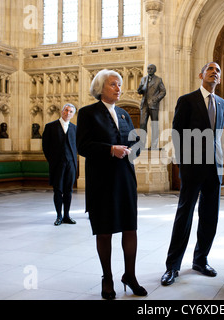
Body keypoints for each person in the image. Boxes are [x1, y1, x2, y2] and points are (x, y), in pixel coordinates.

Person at [76, 69, 146, 300]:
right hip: (102, 180)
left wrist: (135, 147)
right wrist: (109, 149)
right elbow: (83, 146)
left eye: (119, 85)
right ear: (100, 88)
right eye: (114, 84)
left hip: (125, 177)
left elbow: (129, 143)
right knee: (105, 231)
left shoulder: (125, 114)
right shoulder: (88, 113)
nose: (119, 88)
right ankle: (107, 278)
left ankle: (130, 275)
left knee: (130, 228)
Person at [161, 62, 224, 286]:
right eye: (210, 69)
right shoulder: (187, 100)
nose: (214, 73)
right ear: (201, 74)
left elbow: (217, 136)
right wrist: (183, 164)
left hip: (214, 167)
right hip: (192, 166)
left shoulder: (222, 103)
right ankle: (172, 266)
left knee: (210, 215)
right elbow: (177, 133)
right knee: (185, 214)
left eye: (218, 71)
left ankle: (201, 259)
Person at [42, 103, 78, 226]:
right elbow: (45, 147)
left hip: (71, 164)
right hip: (57, 164)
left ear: (73, 114)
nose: (68, 113)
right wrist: (52, 161)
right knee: (58, 190)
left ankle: (67, 216)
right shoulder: (50, 127)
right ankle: (59, 216)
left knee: (69, 191)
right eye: (66, 110)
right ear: (62, 111)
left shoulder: (75, 128)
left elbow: (76, 146)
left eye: (71, 112)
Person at [137, 64, 166, 149]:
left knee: (154, 125)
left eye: (151, 69)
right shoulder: (143, 79)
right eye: (148, 68)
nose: (149, 70)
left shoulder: (158, 80)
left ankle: (154, 145)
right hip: (144, 104)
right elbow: (140, 90)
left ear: (154, 70)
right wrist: (140, 90)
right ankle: (142, 145)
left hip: (153, 105)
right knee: (142, 124)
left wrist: (156, 99)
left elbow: (163, 91)